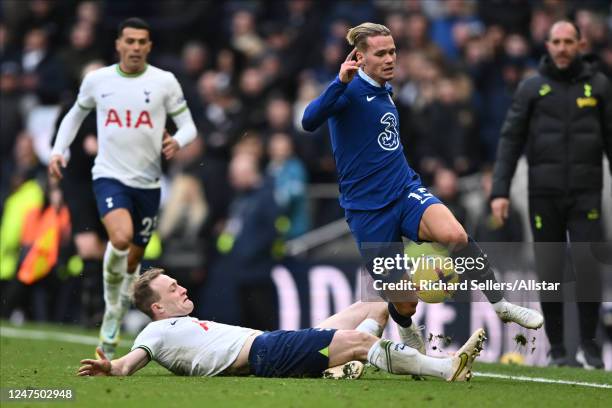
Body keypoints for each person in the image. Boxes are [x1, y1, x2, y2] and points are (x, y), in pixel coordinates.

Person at [301, 22, 543, 354]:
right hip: (367, 210)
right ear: (359, 57)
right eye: (381, 53)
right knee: (406, 302)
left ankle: (501, 305)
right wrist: (338, 82)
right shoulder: (347, 93)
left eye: (393, 51)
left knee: (455, 235)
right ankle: (403, 326)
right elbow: (308, 120)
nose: (390, 59)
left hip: (403, 190)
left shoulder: (386, 88)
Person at [48, 18, 197, 359]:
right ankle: (111, 310)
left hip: (148, 183)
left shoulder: (164, 82)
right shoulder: (98, 80)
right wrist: (59, 150)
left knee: (132, 261)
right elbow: (73, 115)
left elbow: (189, 126)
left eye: (141, 42)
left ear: (149, 47)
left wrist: (178, 140)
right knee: (119, 237)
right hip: (109, 176)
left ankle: (114, 308)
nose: (135, 47)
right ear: (118, 44)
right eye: (129, 41)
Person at [77, 268, 485, 381]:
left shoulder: (182, 322)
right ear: (158, 308)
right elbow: (129, 364)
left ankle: (347, 366)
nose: (181, 288)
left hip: (274, 344)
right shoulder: (154, 332)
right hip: (264, 355)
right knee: (360, 340)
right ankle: (444, 368)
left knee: (374, 306)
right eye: (172, 289)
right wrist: (110, 367)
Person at [491, 21, 612, 369]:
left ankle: (590, 350)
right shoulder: (532, 88)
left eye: (568, 42)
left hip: (587, 193)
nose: (561, 47)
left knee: (589, 269)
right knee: (550, 271)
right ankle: (558, 351)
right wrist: (500, 191)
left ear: (581, 44)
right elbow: (510, 140)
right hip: (543, 195)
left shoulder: (599, 86)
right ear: (546, 44)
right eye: (555, 41)